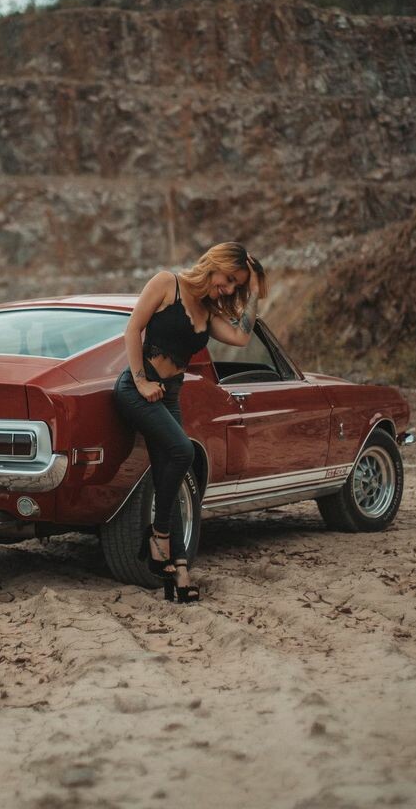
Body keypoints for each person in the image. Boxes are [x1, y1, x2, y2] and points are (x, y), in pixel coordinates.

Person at [112, 242, 269, 603]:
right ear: (214, 264)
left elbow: (242, 337)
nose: (228, 289)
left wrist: (253, 291)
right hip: (138, 389)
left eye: (235, 285)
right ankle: (159, 536)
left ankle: (178, 572)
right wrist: (141, 381)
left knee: (174, 473)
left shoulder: (209, 311)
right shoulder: (166, 283)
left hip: (169, 394)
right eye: (228, 279)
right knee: (183, 452)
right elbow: (132, 330)